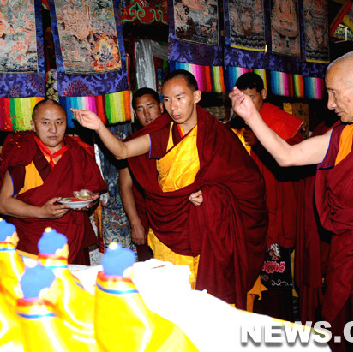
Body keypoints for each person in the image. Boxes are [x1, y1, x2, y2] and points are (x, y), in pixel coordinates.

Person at [230, 51, 353, 350]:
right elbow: (287, 155)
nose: (329, 104)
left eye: (333, 93)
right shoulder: (343, 137)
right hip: (349, 266)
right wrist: (251, 116)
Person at [72, 69, 268, 310]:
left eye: (179, 97)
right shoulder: (162, 134)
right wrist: (99, 127)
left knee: (208, 307)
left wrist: (212, 195)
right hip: (169, 229)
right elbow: (122, 151)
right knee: (175, 305)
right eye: (166, 99)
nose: (173, 106)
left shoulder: (218, 136)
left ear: (196, 96)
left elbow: (249, 184)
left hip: (210, 232)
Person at [230, 72, 304, 319]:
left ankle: (278, 328)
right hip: (248, 213)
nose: (247, 104)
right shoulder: (237, 124)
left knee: (274, 282)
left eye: (251, 97)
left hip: (276, 211)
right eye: (242, 99)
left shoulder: (281, 121)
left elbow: (295, 162)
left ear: (263, 94)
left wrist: (260, 143)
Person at [0, 99, 106, 265]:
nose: (53, 129)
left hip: (72, 241)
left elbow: (90, 193)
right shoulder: (23, 153)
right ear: (34, 125)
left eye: (59, 122)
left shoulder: (77, 153)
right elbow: (4, 204)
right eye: (45, 122)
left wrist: (87, 204)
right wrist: (42, 212)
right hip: (32, 246)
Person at [119, 87, 164, 260]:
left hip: (177, 214)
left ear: (161, 107)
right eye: (140, 109)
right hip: (146, 216)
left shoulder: (175, 134)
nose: (146, 114)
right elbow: (125, 187)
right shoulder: (130, 145)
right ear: (135, 114)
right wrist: (135, 222)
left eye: (150, 106)